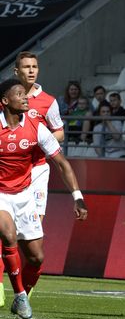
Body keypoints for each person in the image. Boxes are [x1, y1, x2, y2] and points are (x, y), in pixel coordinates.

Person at [0, 78, 88, 319]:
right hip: (0, 196)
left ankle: (21, 297)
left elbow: (61, 163)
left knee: (36, 257)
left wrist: (77, 197)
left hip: (24, 195)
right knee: (8, 235)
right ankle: (19, 295)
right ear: (6, 101)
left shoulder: (36, 128)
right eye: (19, 94)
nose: (25, 97)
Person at [13, 52, 64, 296]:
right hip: (10, 172)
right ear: (17, 71)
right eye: (26, 67)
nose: (31, 71)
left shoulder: (48, 101)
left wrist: (38, 142)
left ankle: (24, 288)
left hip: (38, 172)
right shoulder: (6, 98)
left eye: (35, 66)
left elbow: (60, 132)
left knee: (33, 235)